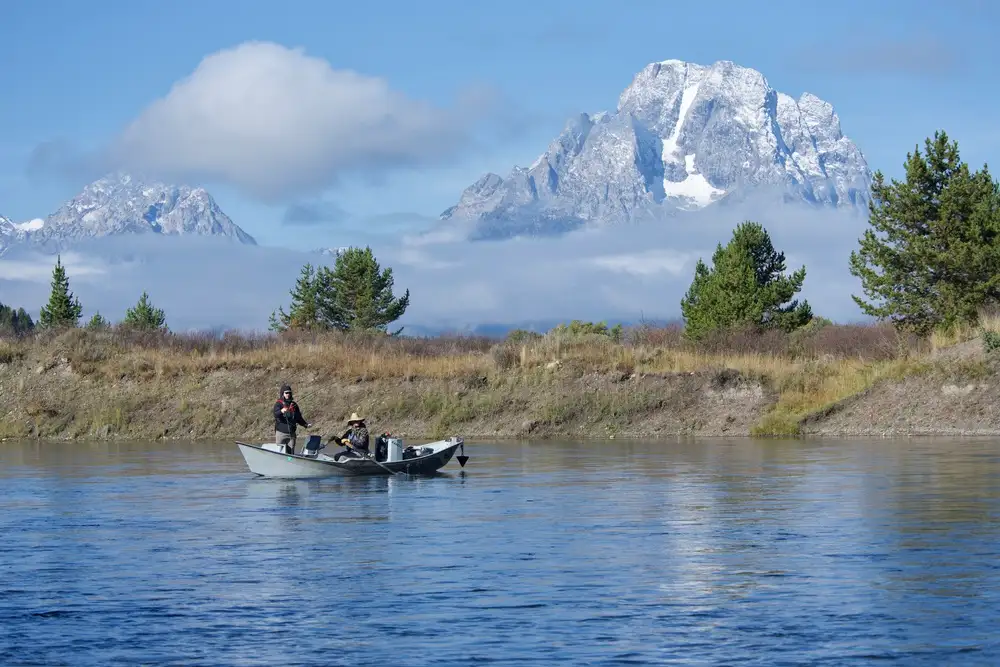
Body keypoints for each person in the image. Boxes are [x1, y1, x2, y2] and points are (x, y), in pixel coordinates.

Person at [273, 384, 310, 454]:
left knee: (290, 454)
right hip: (281, 433)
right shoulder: (278, 404)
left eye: (289, 393)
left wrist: (305, 424)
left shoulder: (294, 405)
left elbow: (299, 418)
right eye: (286, 393)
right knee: (280, 452)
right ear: (282, 393)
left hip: (291, 434)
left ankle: (290, 460)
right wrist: (281, 411)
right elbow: (275, 414)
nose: (288, 394)